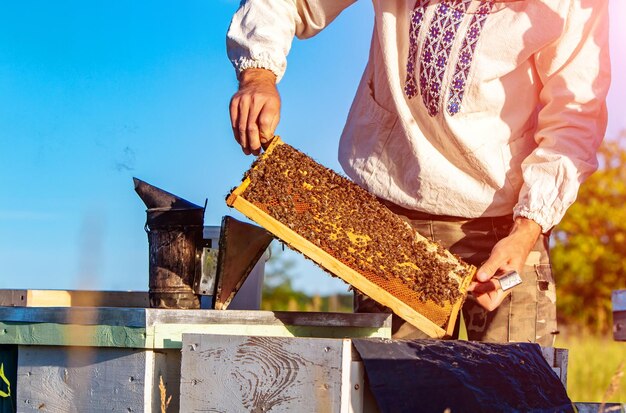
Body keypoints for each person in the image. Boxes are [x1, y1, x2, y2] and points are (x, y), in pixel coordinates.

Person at [226, 0, 610, 346]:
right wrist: (258, 75)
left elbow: (574, 118)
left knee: (518, 393)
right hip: (392, 216)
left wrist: (527, 231)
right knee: (397, 393)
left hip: (504, 233)